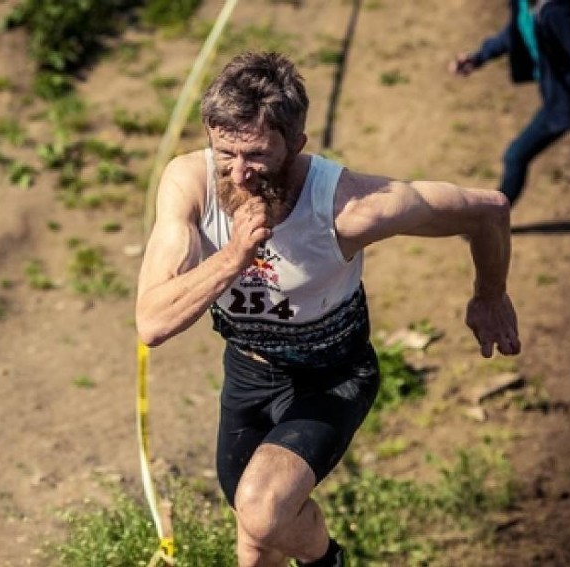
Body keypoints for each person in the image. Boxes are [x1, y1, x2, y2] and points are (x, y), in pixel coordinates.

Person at [135, 51, 521, 567]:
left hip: (332, 377)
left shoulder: (350, 208)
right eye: (225, 151)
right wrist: (233, 257)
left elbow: (488, 209)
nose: (240, 174)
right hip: (248, 373)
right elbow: (152, 321)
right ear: (210, 131)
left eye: (256, 155)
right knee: (255, 543)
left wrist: (489, 295)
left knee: (262, 510)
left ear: (296, 145)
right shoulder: (190, 184)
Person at [449, 0, 570, 206]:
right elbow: (514, 33)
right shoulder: (525, 4)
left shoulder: (557, 12)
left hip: (568, 103)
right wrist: (477, 58)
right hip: (562, 98)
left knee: (516, 155)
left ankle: (491, 214)